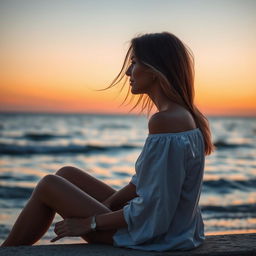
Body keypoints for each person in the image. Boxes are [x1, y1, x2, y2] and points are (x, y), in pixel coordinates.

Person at [1, 32, 214, 251]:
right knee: (66, 174)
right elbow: (141, 184)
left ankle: (7, 250)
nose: (128, 72)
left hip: (158, 236)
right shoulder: (181, 115)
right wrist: (107, 205)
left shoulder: (166, 121)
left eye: (134, 63)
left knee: (48, 185)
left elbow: (154, 208)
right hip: (175, 229)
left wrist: (89, 222)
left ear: (153, 70)